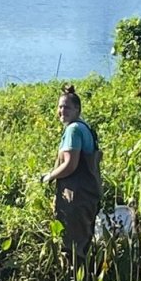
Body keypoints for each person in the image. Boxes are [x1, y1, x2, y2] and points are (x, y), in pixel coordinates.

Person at [41, 85, 102, 263]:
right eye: (60, 107)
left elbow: (70, 165)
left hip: (76, 197)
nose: (62, 111)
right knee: (84, 245)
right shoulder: (85, 127)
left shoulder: (73, 130)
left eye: (67, 107)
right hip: (89, 195)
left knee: (73, 251)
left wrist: (50, 176)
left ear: (77, 109)